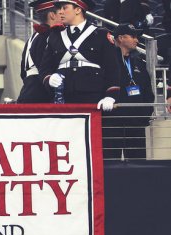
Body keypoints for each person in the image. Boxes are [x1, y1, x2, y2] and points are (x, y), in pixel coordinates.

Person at [39, 0, 120, 110]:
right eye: (60, 9)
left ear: (78, 10)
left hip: (92, 95)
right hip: (62, 96)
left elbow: (112, 68)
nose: (60, 12)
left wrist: (110, 96)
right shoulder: (55, 36)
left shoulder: (100, 34)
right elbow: (45, 67)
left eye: (65, 8)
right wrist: (49, 78)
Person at [103, 24, 154, 159]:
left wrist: (145, 114)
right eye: (133, 36)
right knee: (111, 161)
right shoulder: (107, 60)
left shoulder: (138, 62)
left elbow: (148, 91)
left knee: (138, 161)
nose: (136, 40)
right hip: (113, 121)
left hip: (136, 121)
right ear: (120, 38)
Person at [17, 0, 62, 103]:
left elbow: (23, 73)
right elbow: (45, 67)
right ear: (52, 15)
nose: (63, 15)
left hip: (28, 91)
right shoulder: (48, 35)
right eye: (61, 12)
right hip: (41, 95)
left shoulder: (32, 37)